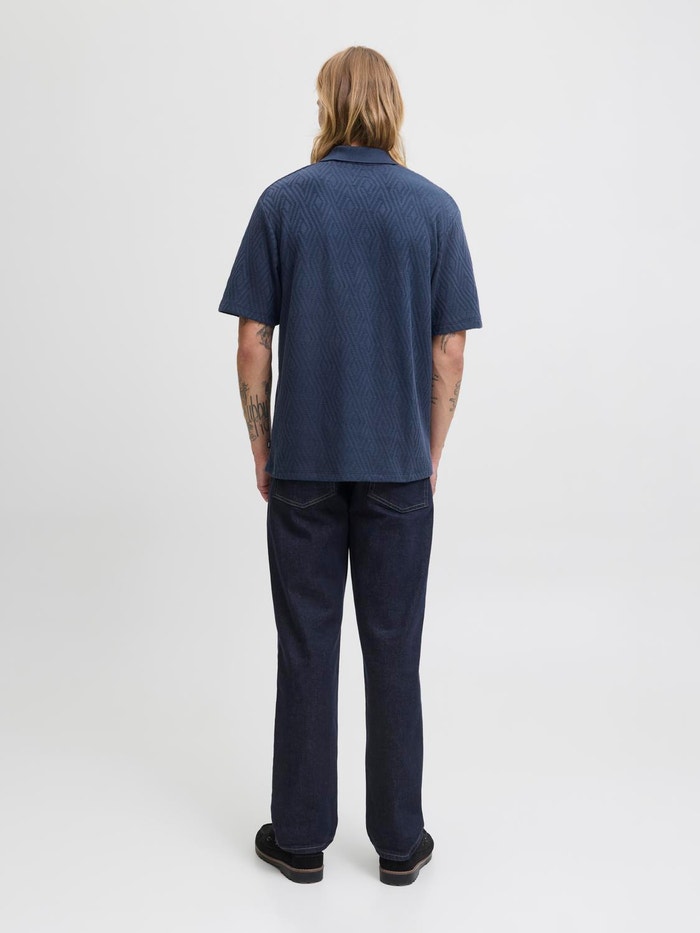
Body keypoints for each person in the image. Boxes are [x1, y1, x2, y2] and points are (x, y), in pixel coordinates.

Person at [218, 45, 482, 886]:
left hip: (304, 465)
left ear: (327, 105)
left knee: (307, 644)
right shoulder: (433, 209)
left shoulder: (284, 203)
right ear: (393, 105)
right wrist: (428, 450)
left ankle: (300, 839)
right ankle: (400, 843)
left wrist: (262, 444)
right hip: (398, 467)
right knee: (394, 650)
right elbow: (449, 351)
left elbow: (252, 341)